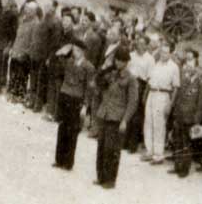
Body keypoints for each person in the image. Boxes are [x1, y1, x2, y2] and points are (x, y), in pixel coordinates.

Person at [93, 48, 138, 190]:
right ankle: (101, 177)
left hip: (117, 118)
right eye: (117, 59)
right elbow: (98, 83)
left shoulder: (130, 79)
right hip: (105, 114)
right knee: (101, 147)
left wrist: (125, 120)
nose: (118, 62)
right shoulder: (110, 73)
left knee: (111, 150)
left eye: (122, 60)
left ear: (126, 62)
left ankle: (110, 180)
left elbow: (133, 102)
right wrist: (104, 68)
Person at [53, 43, 94, 171]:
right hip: (65, 96)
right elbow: (57, 63)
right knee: (62, 128)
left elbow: (89, 88)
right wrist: (61, 52)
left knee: (72, 131)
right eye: (74, 49)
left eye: (76, 50)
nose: (73, 52)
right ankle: (59, 160)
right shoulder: (68, 62)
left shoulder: (88, 67)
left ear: (82, 52)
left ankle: (68, 162)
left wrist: (85, 106)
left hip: (77, 100)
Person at [169, 49, 202, 178]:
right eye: (187, 66)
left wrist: (196, 120)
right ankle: (177, 166)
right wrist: (175, 113)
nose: (189, 68)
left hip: (190, 118)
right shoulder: (184, 80)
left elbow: (201, 104)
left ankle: (184, 169)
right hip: (180, 115)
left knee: (187, 144)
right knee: (177, 141)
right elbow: (179, 97)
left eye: (192, 66)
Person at [142, 40, 181, 164]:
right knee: (148, 122)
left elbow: (176, 88)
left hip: (163, 95)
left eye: (166, 52)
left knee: (159, 125)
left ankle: (158, 155)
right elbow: (150, 81)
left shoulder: (174, 67)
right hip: (152, 94)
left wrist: (170, 104)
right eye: (162, 52)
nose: (163, 54)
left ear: (171, 53)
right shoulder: (156, 63)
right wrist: (145, 95)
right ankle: (150, 151)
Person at [125, 34, 154, 153]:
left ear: (147, 46)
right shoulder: (131, 55)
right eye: (138, 43)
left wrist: (144, 94)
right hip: (129, 83)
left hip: (141, 85)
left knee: (136, 116)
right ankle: (124, 142)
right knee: (127, 112)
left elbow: (149, 79)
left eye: (142, 44)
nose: (139, 46)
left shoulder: (150, 59)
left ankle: (132, 145)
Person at [8, 1, 40, 103]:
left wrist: (26, 53)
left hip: (24, 55)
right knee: (13, 72)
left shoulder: (35, 23)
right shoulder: (23, 20)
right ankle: (11, 93)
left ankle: (19, 95)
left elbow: (33, 42)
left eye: (30, 10)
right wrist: (13, 48)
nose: (27, 11)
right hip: (16, 51)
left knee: (21, 76)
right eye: (26, 9)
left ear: (34, 11)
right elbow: (18, 36)